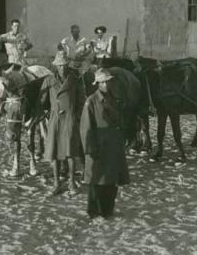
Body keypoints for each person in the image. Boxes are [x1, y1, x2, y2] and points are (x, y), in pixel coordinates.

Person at [80, 68, 130, 220]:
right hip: (99, 146)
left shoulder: (113, 98)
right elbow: (86, 128)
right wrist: (90, 149)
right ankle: (94, 212)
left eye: (108, 81)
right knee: (96, 181)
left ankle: (108, 210)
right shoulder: (91, 101)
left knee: (111, 180)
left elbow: (120, 120)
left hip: (113, 146)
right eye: (103, 82)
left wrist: (123, 137)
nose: (106, 85)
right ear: (98, 84)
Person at [41, 51, 85, 196]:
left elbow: (81, 100)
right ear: (55, 66)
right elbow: (43, 101)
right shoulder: (49, 80)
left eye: (64, 65)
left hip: (69, 119)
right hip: (55, 119)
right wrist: (49, 113)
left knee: (70, 152)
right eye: (59, 65)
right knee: (55, 152)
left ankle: (72, 183)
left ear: (68, 65)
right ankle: (56, 184)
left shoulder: (74, 80)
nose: (62, 68)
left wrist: (76, 116)